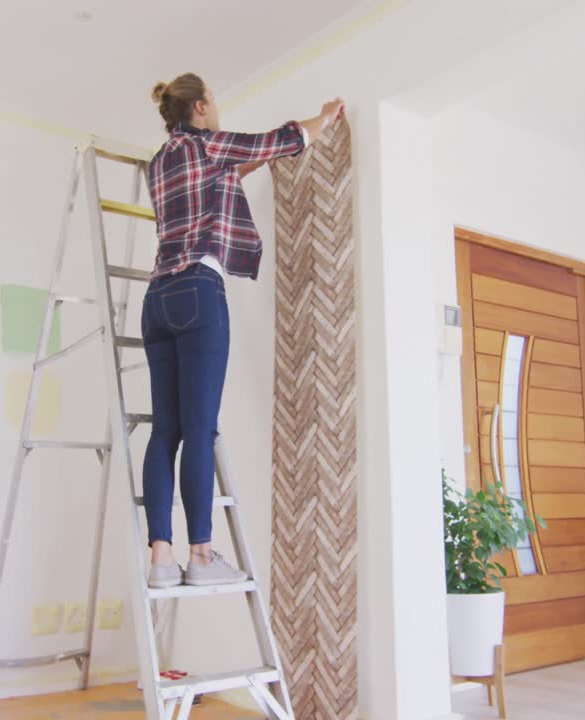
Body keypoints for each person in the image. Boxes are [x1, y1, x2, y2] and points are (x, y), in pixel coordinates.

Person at [141, 72, 345, 588]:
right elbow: (283, 139)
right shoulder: (209, 144)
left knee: (166, 430)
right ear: (203, 106)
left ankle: (162, 559)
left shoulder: (160, 161)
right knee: (199, 430)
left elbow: (223, 176)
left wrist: (252, 163)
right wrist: (323, 119)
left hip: (157, 298)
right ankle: (204, 557)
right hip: (197, 292)